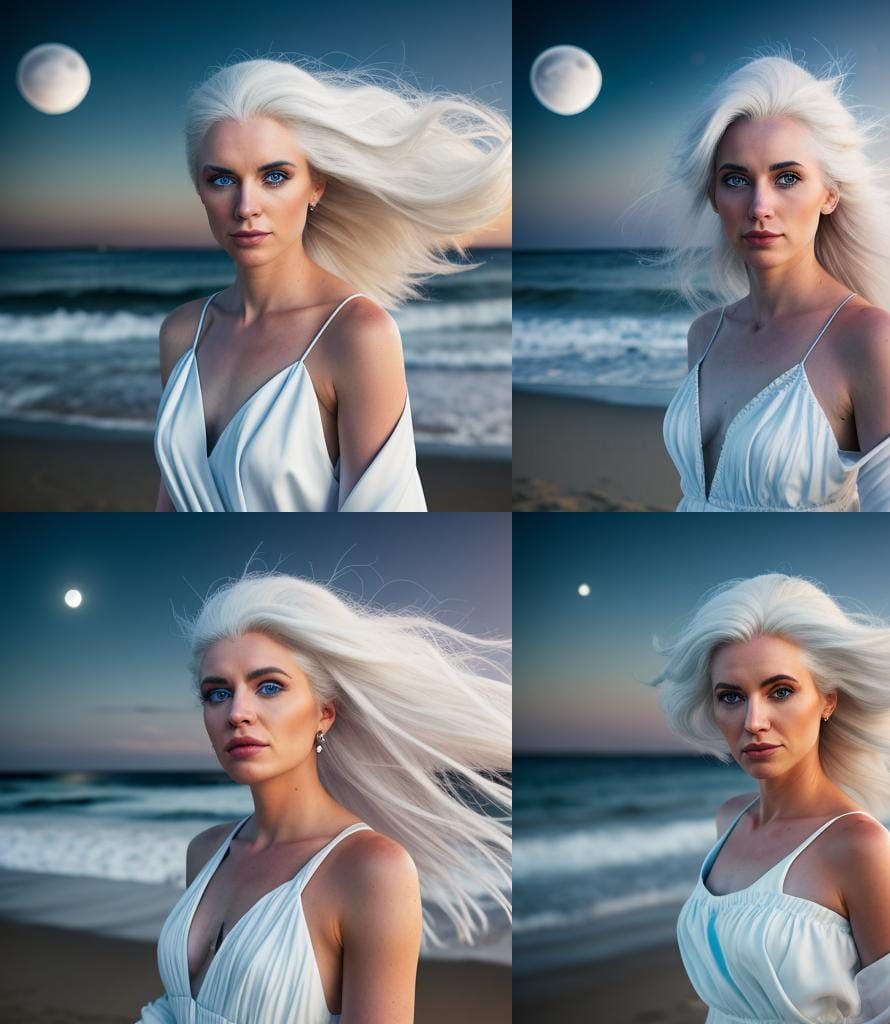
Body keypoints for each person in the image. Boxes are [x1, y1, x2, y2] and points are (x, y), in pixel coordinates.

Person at [135, 572, 511, 1023]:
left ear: (324, 714)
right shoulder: (206, 851)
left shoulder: (370, 869)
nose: (237, 713)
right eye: (217, 693)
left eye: (269, 686)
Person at [154, 58, 510, 511]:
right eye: (222, 179)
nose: (246, 206)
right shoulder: (181, 332)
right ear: (200, 190)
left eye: (275, 177)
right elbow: (170, 497)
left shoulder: (356, 335)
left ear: (316, 185)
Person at [651, 574, 890, 1021]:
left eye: (780, 691)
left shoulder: (860, 848)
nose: (754, 720)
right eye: (731, 696)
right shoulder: (730, 819)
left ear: (827, 700)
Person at [661, 51, 890, 511]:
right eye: (736, 179)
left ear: (828, 195)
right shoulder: (704, 334)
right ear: (715, 197)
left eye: (786, 177)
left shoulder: (867, 338)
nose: (760, 206)